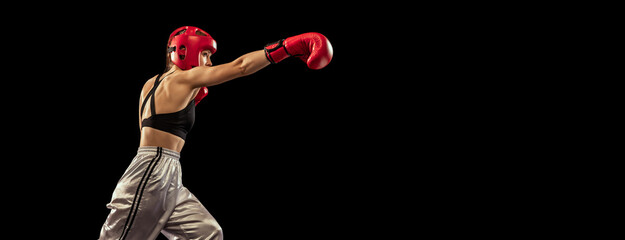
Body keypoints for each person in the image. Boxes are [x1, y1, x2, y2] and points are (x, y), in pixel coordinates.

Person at [98, 26, 333, 240]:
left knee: (208, 233)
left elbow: (156, 125)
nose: (209, 62)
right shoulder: (185, 78)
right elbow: (240, 67)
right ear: (184, 51)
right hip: (152, 170)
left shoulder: (150, 84)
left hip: (166, 171)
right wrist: (286, 48)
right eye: (206, 54)